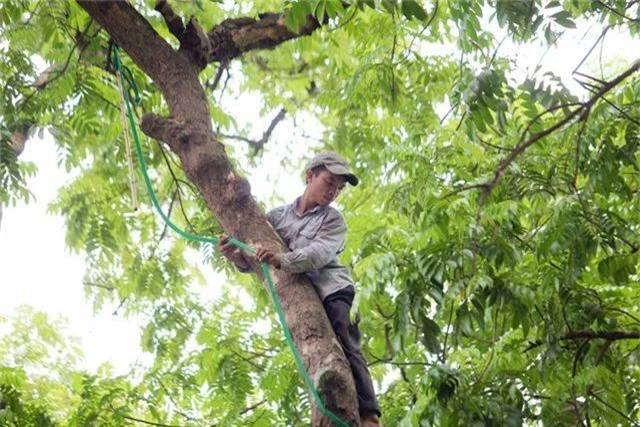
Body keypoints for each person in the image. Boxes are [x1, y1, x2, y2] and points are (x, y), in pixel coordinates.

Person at [218, 152, 382, 427]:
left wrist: (281, 258)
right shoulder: (276, 217)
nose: (333, 192)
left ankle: (369, 415)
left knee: (346, 339)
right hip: (303, 296)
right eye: (329, 182)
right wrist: (235, 255)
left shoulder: (333, 221)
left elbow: (318, 254)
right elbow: (255, 262)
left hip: (334, 289)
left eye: (338, 188)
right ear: (310, 176)